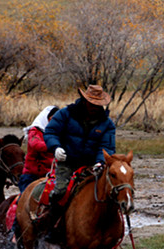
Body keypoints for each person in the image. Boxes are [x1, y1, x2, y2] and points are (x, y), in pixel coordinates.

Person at [39, 84, 116, 233]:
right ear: (84, 100)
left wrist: (100, 161)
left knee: (110, 192)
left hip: (93, 166)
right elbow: (50, 132)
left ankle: (106, 230)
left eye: (98, 104)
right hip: (67, 162)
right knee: (60, 191)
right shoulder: (65, 114)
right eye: (92, 103)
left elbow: (107, 147)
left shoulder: (107, 124)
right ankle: (51, 227)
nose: (94, 107)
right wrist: (56, 148)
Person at [19, 105, 59, 193]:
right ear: (46, 118)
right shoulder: (34, 131)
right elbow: (36, 145)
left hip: (50, 175)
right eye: (52, 119)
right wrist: (55, 146)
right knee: (24, 200)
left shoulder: (57, 133)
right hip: (31, 175)